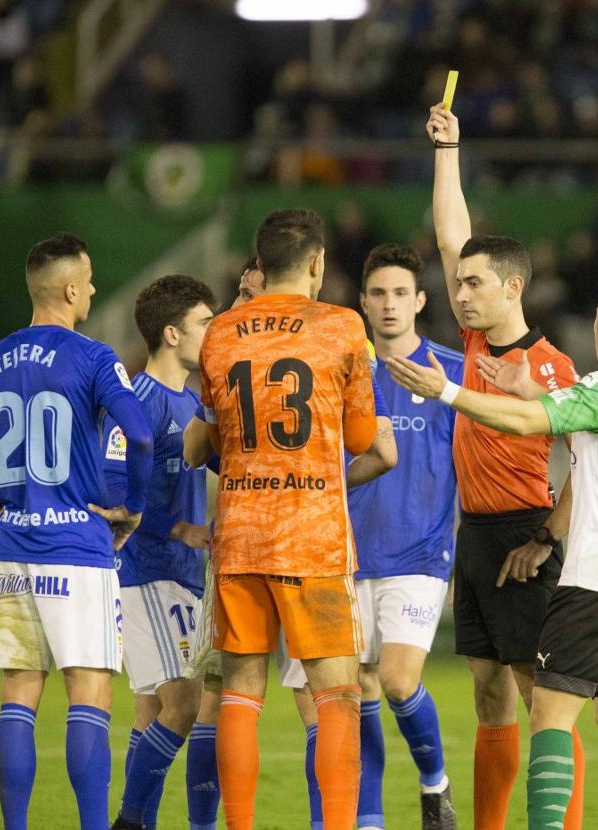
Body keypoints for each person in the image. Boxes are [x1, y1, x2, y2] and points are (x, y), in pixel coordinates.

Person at [388, 271, 598, 830]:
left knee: (548, 715)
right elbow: (585, 419)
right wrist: (535, 389)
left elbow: (528, 421)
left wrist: (444, 390)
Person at [0, 233, 155, 829]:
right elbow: (141, 436)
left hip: (15, 549)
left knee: (19, 698)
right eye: (91, 279)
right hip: (78, 548)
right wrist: (134, 507)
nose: (94, 289)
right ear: (72, 289)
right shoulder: (96, 359)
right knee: (90, 696)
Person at [425, 101, 584, 829]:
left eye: (474, 285)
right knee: (488, 686)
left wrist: (547, 538)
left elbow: (596, 464)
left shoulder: (551, 367)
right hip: (477, 533)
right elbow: (453, 233)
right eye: (459, 286)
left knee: (538, 694)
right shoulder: (478, 343)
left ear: (512, 287)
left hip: (525, 534)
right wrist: (449, 150)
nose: (461, 293)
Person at [198, 210, 376, 830]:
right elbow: (359, 436)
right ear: (317, 264)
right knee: (337, 698)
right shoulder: (343, 328)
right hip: (314, 537)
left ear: (260, 262)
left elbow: (213, 436)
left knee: (240, 694)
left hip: (240, 531)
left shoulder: (218, 335)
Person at [277, 243, 462, 830]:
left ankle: (435, 785)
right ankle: (370, 819)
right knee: (355, 699)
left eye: (401, 293)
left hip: (419, 555)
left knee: (400, 680)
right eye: (378, 293)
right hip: (345, 554)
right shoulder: (336, 370)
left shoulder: (451, 374)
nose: (389, 305)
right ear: (360, 302)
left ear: (421, 300)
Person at [103, 275, 217, 830]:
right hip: (145, 573)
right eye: (204, 324)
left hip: (182, 576)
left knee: (151, 710)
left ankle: (138, 822)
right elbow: (112, 494)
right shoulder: (135, 402)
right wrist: (179, 530)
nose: (213, 333)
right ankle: (128, 822)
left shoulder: (195, 401)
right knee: (185, 704)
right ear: (172, 334)